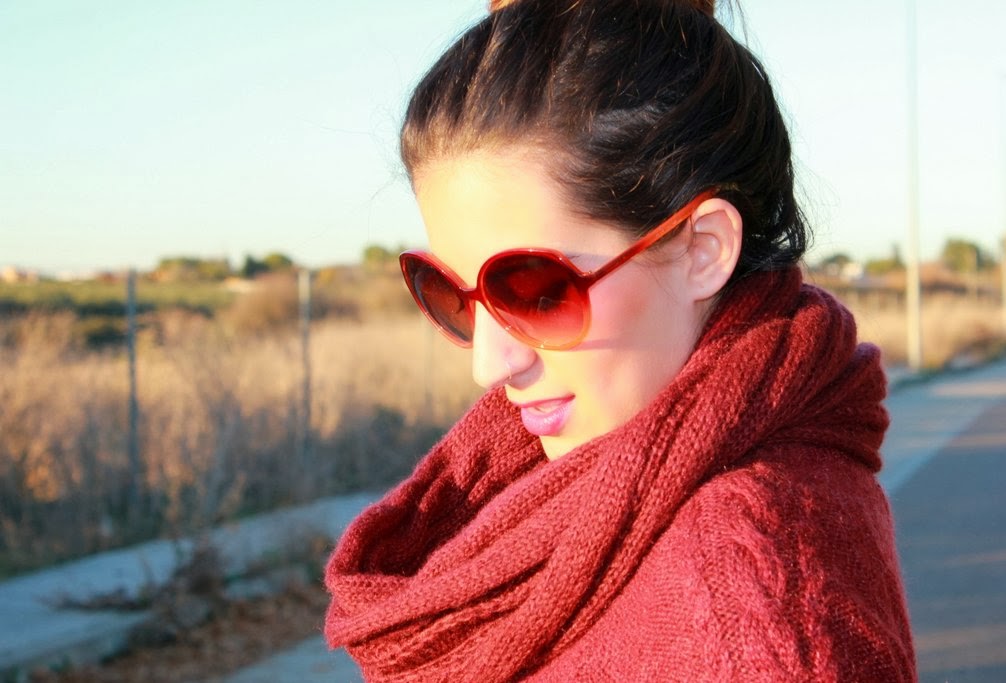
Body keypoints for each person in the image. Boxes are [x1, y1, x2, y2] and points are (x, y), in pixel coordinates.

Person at [324, 0, 916, 680]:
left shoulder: (748, 611)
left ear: (702, 250)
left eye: (536, 289)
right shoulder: (549, 490)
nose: (490, 364)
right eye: (450, 293)